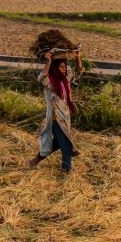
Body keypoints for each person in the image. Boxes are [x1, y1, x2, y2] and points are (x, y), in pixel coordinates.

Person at [30, 37, 79, 177]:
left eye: (65, 67)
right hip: (56, 117)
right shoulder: (50, 83)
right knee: (66, 143)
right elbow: (41, 77)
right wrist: (49, 61)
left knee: (57, 143)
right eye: (61, 67)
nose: (64, 70)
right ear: (55, 69)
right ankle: (66, 170)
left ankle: (34, 161)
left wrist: (78, 57)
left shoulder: (65, 81)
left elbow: (78, 71)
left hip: (65, 115)